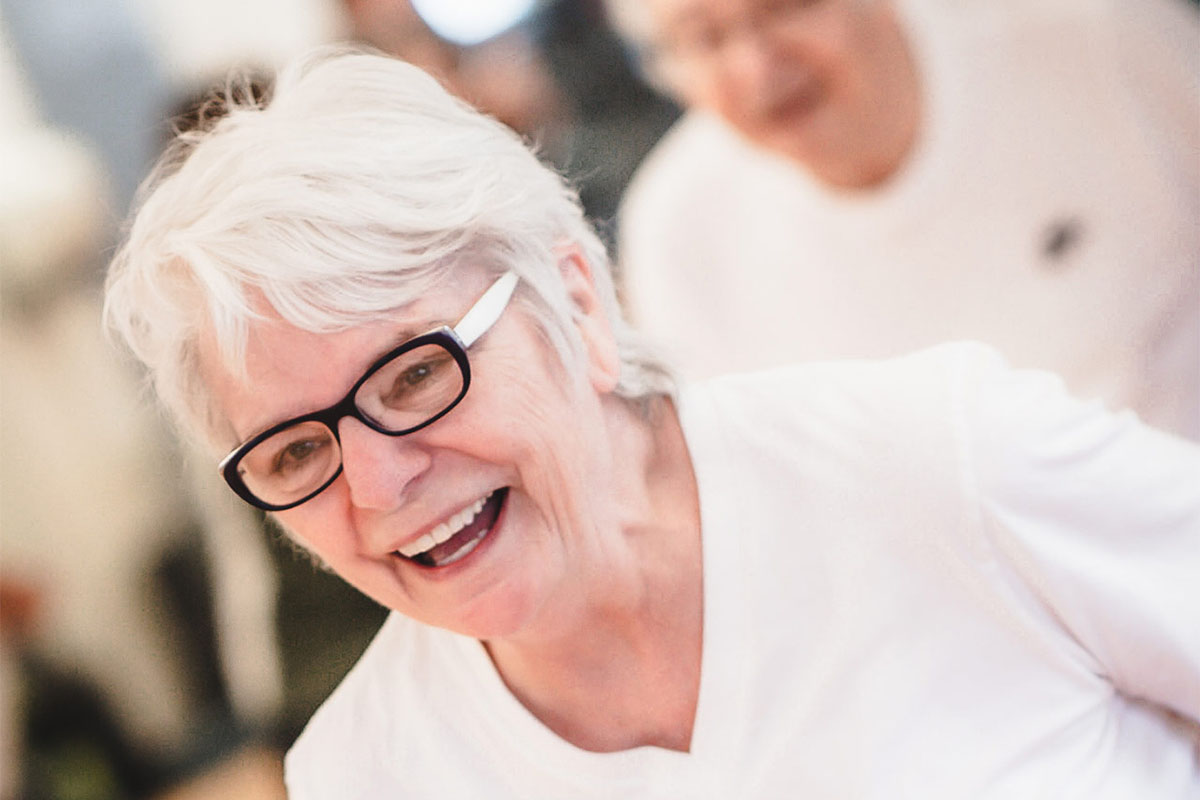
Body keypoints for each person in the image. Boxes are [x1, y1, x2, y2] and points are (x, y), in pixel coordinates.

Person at [103, 47, 1199, 798]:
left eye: (410, 378)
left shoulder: (936, 464)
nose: (379, 484)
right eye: (298, 448)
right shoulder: (369, 770)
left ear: (574, 299)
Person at [605, 0, 1200, 441]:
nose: (758, 66)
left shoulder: (1097, 43)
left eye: (784, 7)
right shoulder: (676, 226)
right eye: (703, 40)